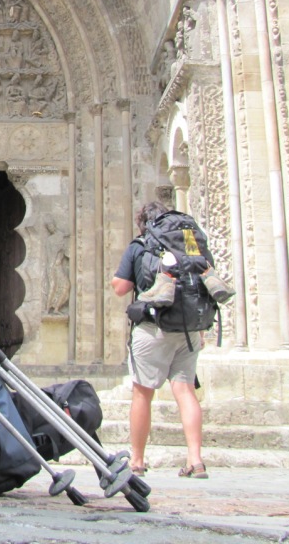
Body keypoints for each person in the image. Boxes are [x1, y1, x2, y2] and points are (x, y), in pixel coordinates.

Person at [110, 200, 209, 480]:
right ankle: (196, 459)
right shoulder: (189, 244)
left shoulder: (140, 246)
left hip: (153, 328)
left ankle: (138, 461)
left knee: (142, 392)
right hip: (188, 330)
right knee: (185, 390)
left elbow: (121, 287)